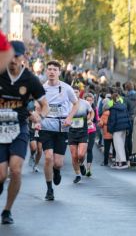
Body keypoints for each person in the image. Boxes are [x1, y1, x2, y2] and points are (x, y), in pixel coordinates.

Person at [0, 40, 48, 224]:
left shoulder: (30, 79)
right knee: (2, 175)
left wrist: (39, 116)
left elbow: (45, 105)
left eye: (17, 56)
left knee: (16, 170)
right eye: (10, 56)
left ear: (23, 58)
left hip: (18, 128)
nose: (13, 60)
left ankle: (7, 211)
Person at [39, 60, 79, 201]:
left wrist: (70, 117)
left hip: (62, 128)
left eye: (54, 69)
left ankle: (56, 171)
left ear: (59, 72)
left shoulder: (66, 88)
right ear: (46, 71)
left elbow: (76, 103)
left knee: (58, 163)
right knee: (48, 157)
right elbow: (38, 106)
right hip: (46, 127)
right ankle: (49, 189)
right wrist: (38, 120)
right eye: (49, 69)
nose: (51, 72)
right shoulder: (41, 88)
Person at [68, 87, 94, 183]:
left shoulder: (85, 103)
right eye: (73, 92)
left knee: (81, 154)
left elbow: (92, 112)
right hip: (71, 132)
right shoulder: (68, 103)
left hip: (83, 132)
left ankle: (82, 164)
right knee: (74, 156)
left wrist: (90, 119)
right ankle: (78, 174)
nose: (75, 93)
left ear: (79, 93)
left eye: (76, 92)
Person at [108, 92, 131, 169]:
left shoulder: (113, 108)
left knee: (118, 146)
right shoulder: (124, 106)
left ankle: (123, 162)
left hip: (116, 128)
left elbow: (112, 120)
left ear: (113, 100)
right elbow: (128, 117)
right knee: (121, 144)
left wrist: (110, 130)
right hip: (124, 128)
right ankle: (118, 163)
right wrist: (129, 127)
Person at [84, 93, 98, 177]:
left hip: (92, 130)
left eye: (90, 100)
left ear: (93, 101)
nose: (89, 102)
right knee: (82, 151)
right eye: (87, 100)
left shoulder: (94, 109)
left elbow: (96, 120)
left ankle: (88, 169)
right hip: (82, 131)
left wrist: (92, 121)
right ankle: (82, 166)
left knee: (89, 149)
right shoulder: (81, 108)